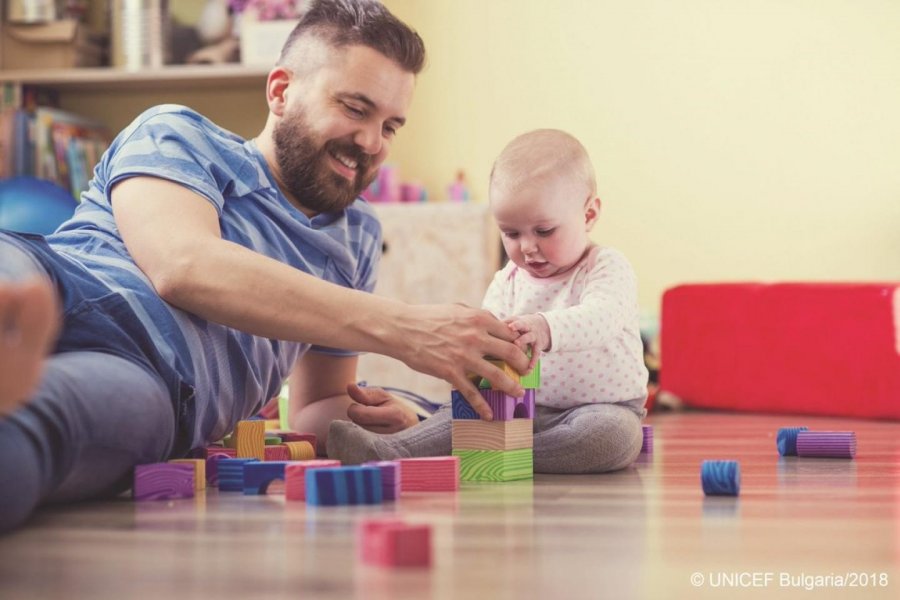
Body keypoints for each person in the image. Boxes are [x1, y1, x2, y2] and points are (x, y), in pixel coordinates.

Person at [0, 0, 528, 533]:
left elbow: (315, 407)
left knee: (38, 426)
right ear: (280, 91)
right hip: (60, 278)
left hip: (155, 379)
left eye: (390, 127)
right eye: (355, 108)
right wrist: (406, 328)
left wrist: (390, 421)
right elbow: (183, 265)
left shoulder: (357, 236)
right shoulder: (179, 133)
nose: (371, 142)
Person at [328, 129, 649, 473]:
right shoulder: (507, 279)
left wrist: (544, 328)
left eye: (544, 231)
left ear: (588, 215)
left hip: (600, 408)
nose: (527, 247)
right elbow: (486, 338)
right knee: (464, 410)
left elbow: (602, 317)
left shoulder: (605, 266)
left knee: (611, 438)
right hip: (516, 405)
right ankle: (392, 450)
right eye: (511, 233)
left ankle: (505, 452)